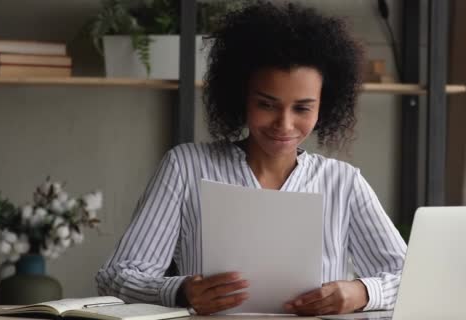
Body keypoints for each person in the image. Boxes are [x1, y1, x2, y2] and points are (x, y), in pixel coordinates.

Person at [96, 1, 406, 316]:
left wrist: (362, 292)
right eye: (267, 104)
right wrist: (180, 291)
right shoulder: (186, 167)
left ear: (324, 106)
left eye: (302, 108)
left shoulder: (344, 183)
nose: (284, 125)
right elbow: (115, 278)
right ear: (240, 95)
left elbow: (411, 276)